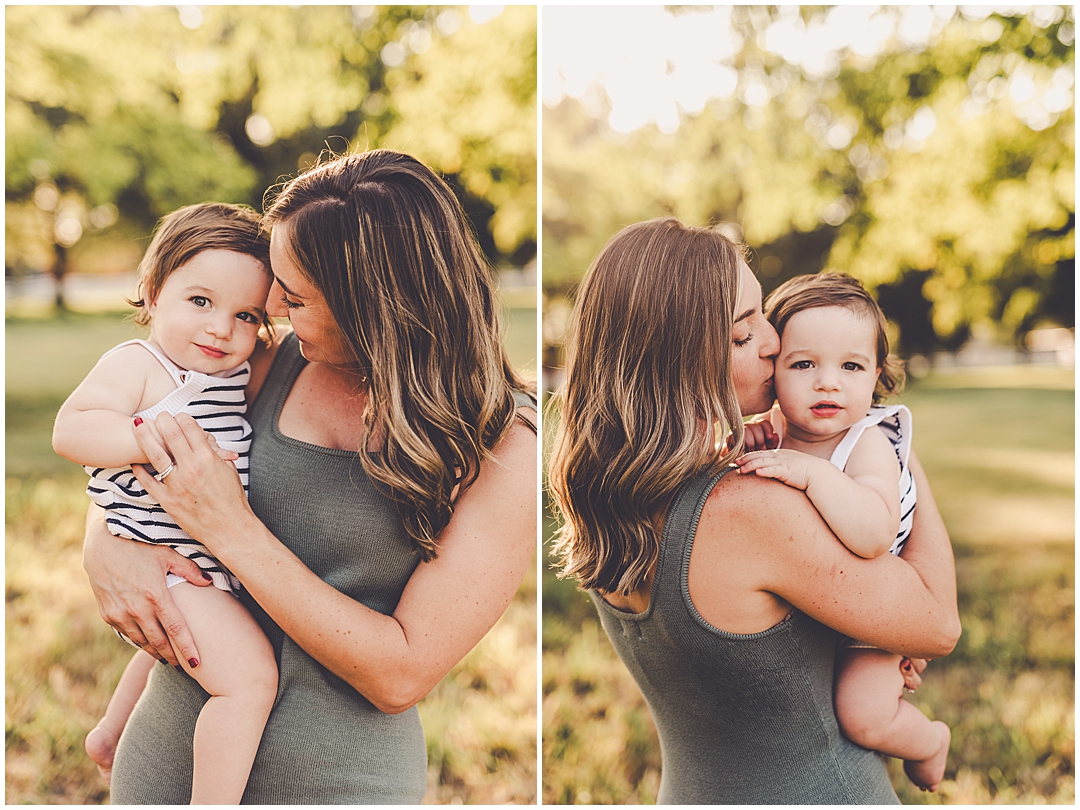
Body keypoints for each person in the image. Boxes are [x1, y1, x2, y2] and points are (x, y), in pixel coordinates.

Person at [80, 149, 537, 804]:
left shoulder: (502, 445)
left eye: (294, 296)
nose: (267, 304)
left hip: (340, 783)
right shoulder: (265, 362)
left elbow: (401, 673)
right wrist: (103, 545)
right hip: (169, 764)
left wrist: (232, 531)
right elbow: (134, 442)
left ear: (377, 308)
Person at [548, 217, 960, 804]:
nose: (774, 341)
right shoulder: (752, 510)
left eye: (762, 314)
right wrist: (892, 446)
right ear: (676, 365)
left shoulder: (608, 499)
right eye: (743, 335)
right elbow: (938, 623)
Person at [53, 203, 278, 803]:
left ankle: (109, 734)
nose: (220, 329)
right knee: (249, 682)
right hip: (166, 557)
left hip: (202, 564)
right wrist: (148, 441)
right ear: (152, 294)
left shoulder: (237, 372)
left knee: (169, 647)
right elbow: (70, 430)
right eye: (199, 301)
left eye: (245, 314)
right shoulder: (140, 366)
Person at [735, 273, 950, 791]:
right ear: (773, 371)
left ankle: (929, 741)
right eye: (804, 364)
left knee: (864, 715)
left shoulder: (866, 442)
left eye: (851, 366)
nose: (828, 382)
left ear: (877, 374)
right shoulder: (774, 431)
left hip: (869, 623)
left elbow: (876, 533)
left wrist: (815, 474)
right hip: (807, 611)